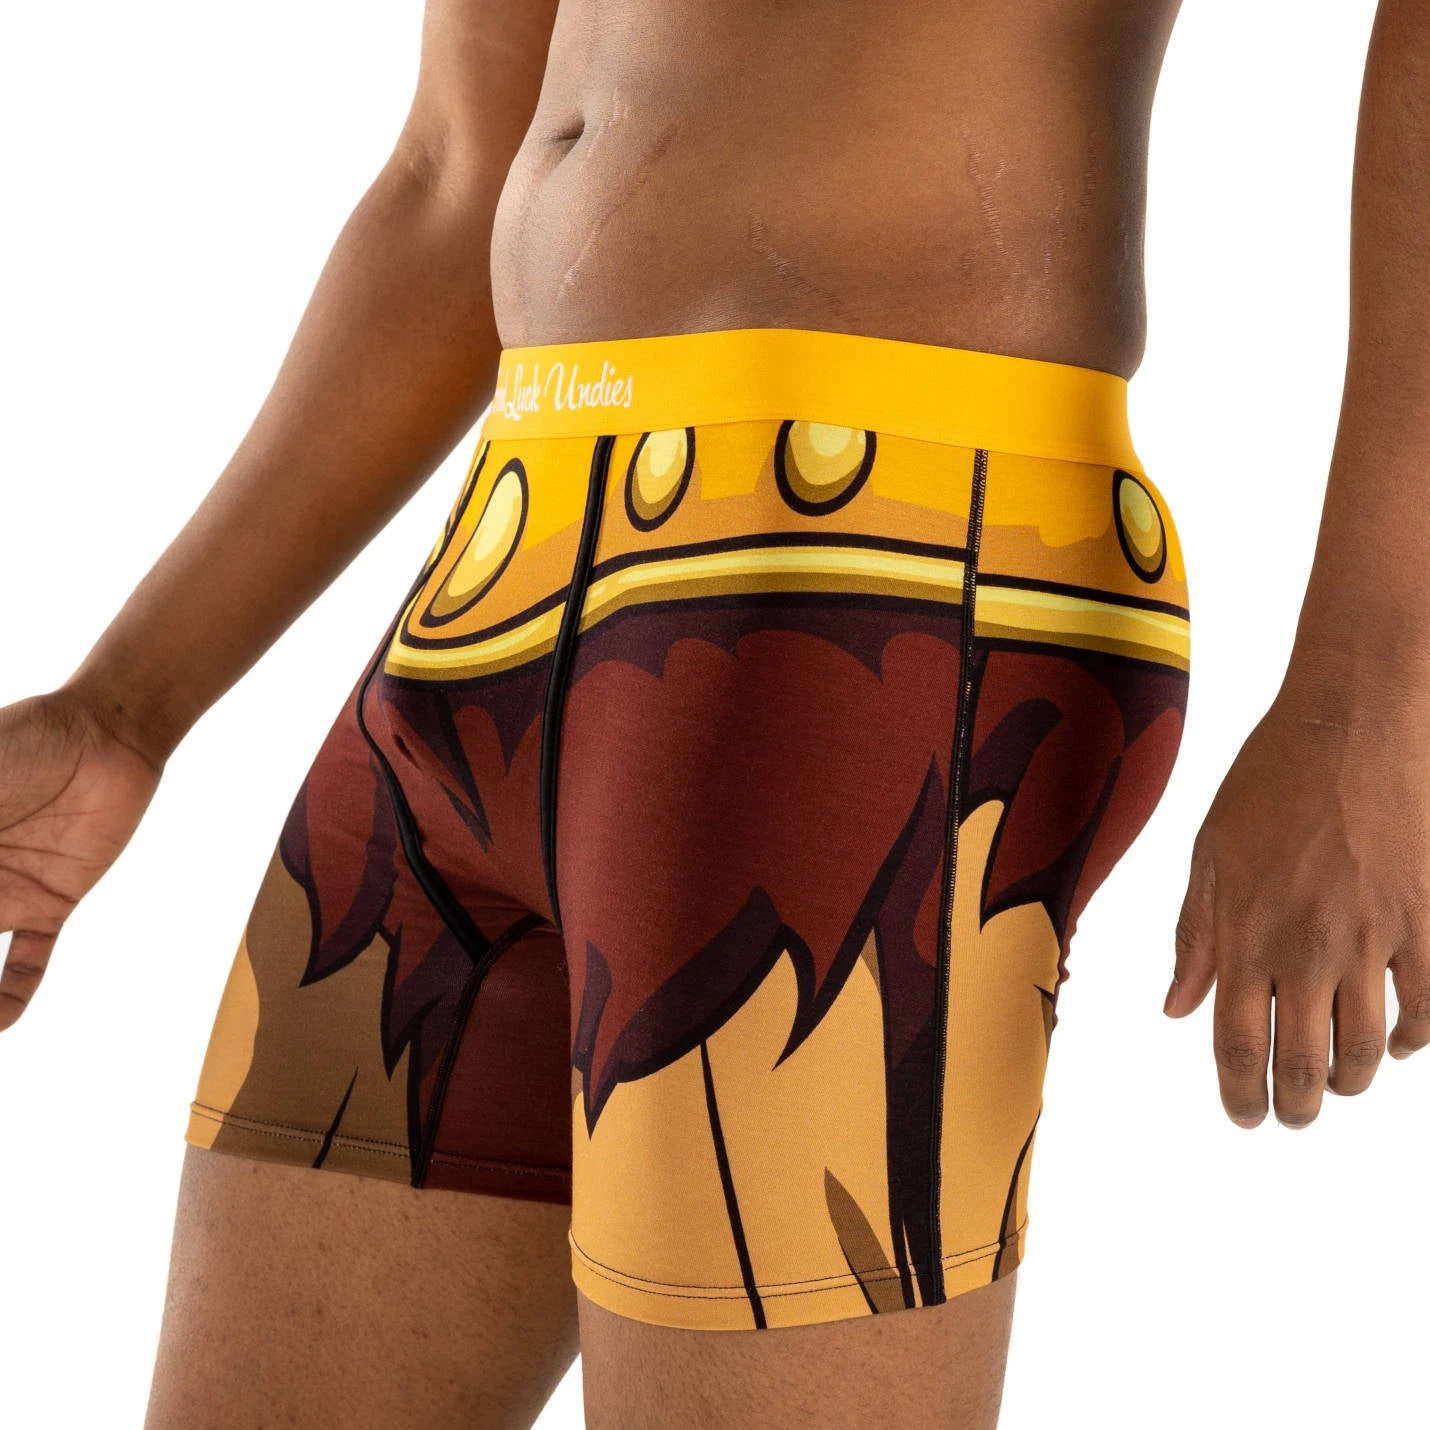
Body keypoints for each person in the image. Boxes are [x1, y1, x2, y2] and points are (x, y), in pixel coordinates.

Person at [0, 0, 1423, 1425]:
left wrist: (1365, 697)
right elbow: (455, 170)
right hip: (497, 574)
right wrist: (125, 704)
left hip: (871, 571)